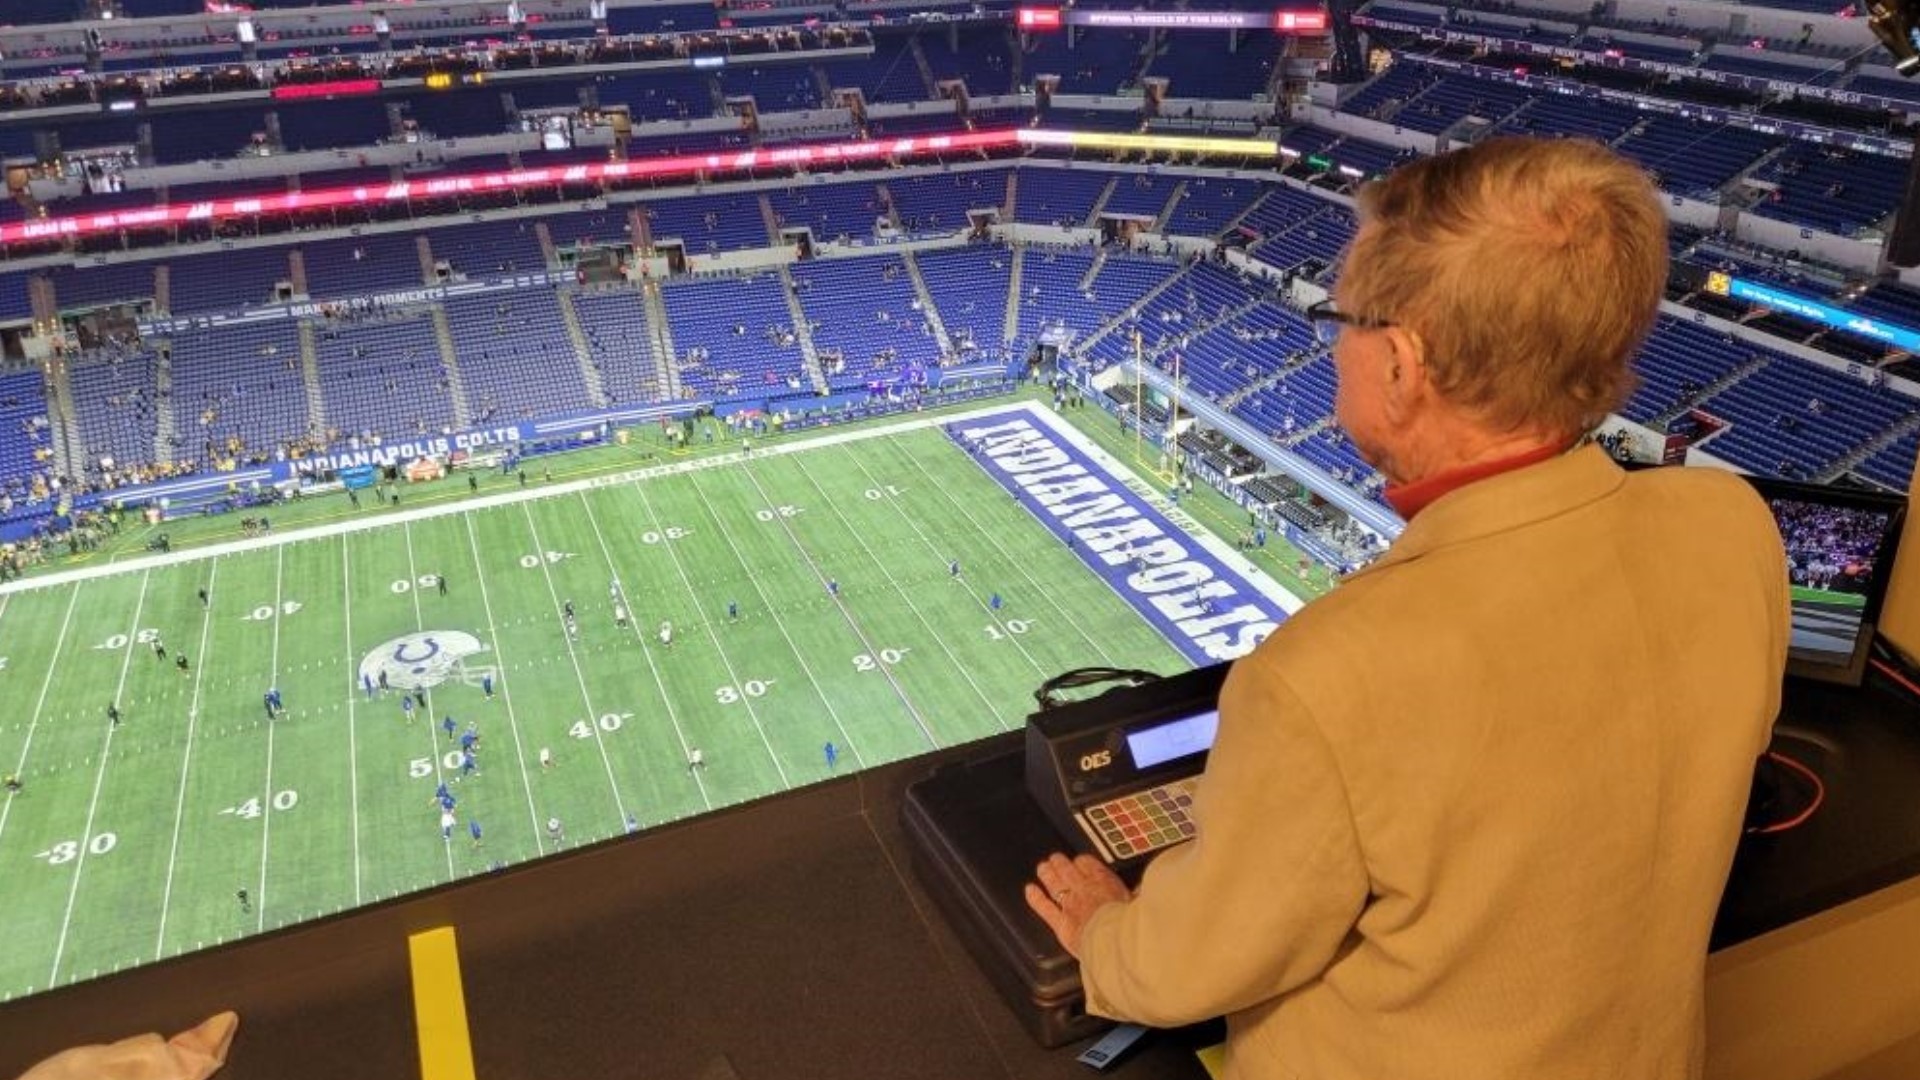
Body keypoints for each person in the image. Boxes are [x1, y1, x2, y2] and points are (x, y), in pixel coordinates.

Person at [1022, 138, 1789, 1080]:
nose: (1332, 338)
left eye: (1342, 316)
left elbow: (1193, 966)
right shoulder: (1728, 523)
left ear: (1403, 363)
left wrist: (1105, 931)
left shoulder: (1332, 672)